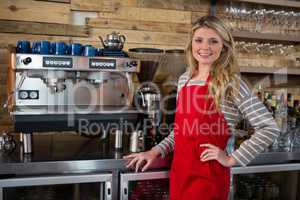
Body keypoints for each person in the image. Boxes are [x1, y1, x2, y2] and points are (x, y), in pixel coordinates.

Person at [124, 15, 280, 200]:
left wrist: (231, 159)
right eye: (199, 40)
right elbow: (180, 132)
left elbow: (269, 128)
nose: (205, 47)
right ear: (191, 44)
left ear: (224, 47)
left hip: (209, 180)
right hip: (180, 175)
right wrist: (155, 151)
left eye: (213, 41)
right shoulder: (185, 79)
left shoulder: (231, 83)